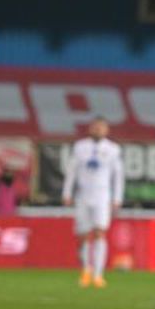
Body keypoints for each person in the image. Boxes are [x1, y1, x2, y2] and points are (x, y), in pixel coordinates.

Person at [62, 117, 124, 289]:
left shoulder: (113, 149)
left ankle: (98, 274)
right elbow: (71, 171)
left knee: (99, 232)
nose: (97, 130)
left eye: (101, 127)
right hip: (83, 195)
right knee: (82, 236)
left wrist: (117, 198)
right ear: (90, 129)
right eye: (95, 127)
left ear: (106, 130)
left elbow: (117, 176)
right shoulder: (80, 147)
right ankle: (85, 270)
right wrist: (67, 192)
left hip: (102, 196)